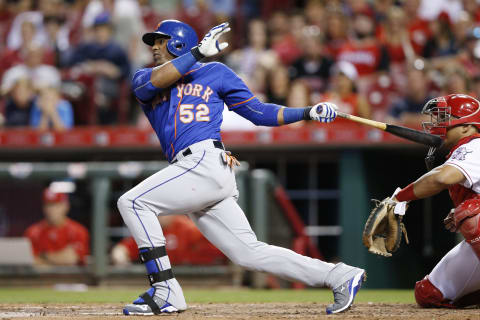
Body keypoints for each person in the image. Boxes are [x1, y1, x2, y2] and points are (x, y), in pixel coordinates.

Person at [117, 19, 365, 316]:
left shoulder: (216, 72)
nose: (154, 46)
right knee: (247, 252)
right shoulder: (145, 77)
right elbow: (153, 84)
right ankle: (338, 275)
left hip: (206, 162)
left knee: (131, 202)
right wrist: (197, 53)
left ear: (177, 42)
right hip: (194, 170)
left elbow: (260, 113)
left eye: (160, 40)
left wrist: (308, 111)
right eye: (153, 42)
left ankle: (165, 288)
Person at [388, 94, 480, 308]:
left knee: (471, 216)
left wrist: (400, 197)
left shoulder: (475, 145)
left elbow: (442, 177)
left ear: (467, 127)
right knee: (428, 294)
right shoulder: (464, 150)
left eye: (444, 117)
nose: (439, 124)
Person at [111, 215, 226, 266]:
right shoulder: (150, 230)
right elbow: (122, 249)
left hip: (197, 276)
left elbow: (221, 247)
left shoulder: (188, 228)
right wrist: (121, 259)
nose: (159, 216)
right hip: (166, 278)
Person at [24, 188, 89, 266]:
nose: (51, 210)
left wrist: (44, 256)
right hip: (42, 277)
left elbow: (70, 259)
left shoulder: (78, 230)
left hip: (71, 277)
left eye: (56, 205)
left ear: (66, 206)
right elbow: (30, 261)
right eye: (48, 205)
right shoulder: (32, 232)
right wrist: (58, 257)